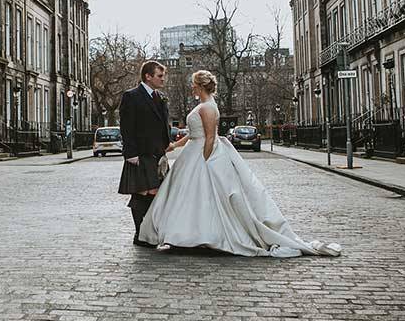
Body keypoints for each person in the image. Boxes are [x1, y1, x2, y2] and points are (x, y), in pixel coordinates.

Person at [139, 70, 341, 258]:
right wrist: (174, 145)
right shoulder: (203, 105)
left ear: (200, 86)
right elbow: (194, 134)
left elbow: (210, 138)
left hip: (203, 155)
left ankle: (201, 235)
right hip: (193, 153)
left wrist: (206, 161)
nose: (191, 88)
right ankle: (184, 235)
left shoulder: (208, 107)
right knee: (186, 197)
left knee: (205, 198)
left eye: (193, 84)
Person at [117, 60, 172, 246]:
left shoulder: (160, 97)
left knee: (156, 193)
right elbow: (126, 127)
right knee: (141, 194)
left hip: (158, 154)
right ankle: (140, 234)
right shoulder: (131, 96)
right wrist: (130, 153)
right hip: (140, 154)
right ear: (148, 76)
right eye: (159, 75)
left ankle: (149, 232)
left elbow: (163, 125)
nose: (163, 79)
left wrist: (165, 147)